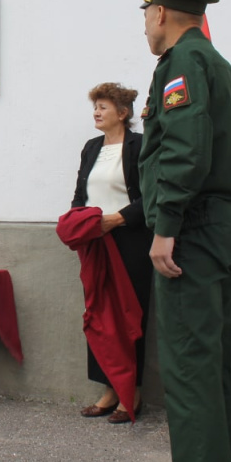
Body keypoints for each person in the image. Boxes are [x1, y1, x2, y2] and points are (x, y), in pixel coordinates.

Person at [129, 0, 231, 462]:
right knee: (212, 369)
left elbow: (185, 149)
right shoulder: (217, 65)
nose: (146, 25)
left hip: (193, 232)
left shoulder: (183, 64)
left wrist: (166, 225)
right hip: (218, 227)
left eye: (145, 14)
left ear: (160, 14)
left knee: (191, 368)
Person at [70, 82, 153, 424]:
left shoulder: (140, 145)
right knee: (99, 316)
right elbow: (80, 193)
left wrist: (119, 219)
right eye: (95, 106)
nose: (96, 112)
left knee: (129, 317)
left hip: (130, 239)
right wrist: (79, 220)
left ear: (123, 113)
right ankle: (108, 388)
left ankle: (131, 391)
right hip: (96, 242)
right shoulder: (91, 147)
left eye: (103, 107)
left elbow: (151, 195)